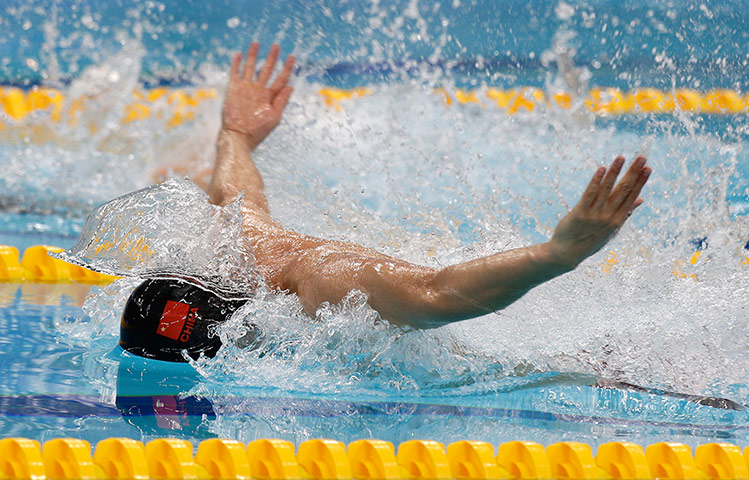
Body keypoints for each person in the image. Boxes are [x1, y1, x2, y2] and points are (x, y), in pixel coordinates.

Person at [120, 42, 651, 362]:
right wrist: (235, 134)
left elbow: (435, 293)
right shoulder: (237, 247)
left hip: (526, 345)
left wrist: (556, 254)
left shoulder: (320, 280)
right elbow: (235, 193)